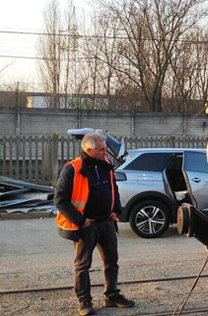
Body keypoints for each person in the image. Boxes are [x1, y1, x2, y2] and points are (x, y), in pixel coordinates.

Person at [54, 131, 135, 315]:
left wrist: (117, 209)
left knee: (111, 261)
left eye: (105, 148)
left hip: (106, 221)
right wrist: (80, 220)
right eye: (101, 150)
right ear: (89, 150)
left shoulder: (105, 164)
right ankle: (84, 302)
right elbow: (60, 200)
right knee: (82, 265)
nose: (105, 153)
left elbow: (113, 188)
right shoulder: (72, 169)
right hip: (86, 226)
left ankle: (112, 296)